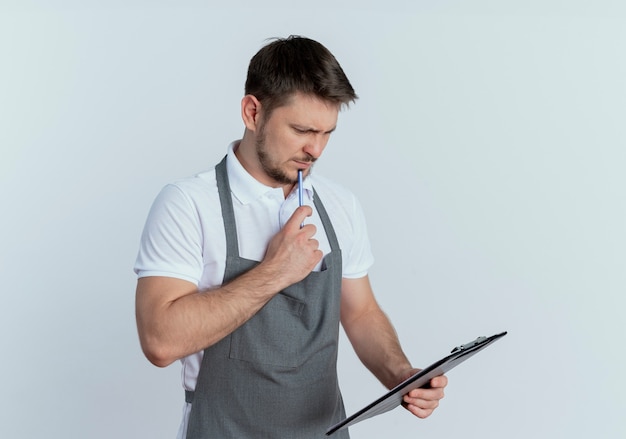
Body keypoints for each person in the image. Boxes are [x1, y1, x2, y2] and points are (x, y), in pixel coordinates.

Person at [134, 35, 447, 439]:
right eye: (301, 129)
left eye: (327, 133)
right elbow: (160, 340)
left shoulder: (339, 204)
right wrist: (276, 272)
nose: (315, 149)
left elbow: (360, 312)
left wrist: (401, 375)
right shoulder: (187, 204)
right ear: (252, 112)